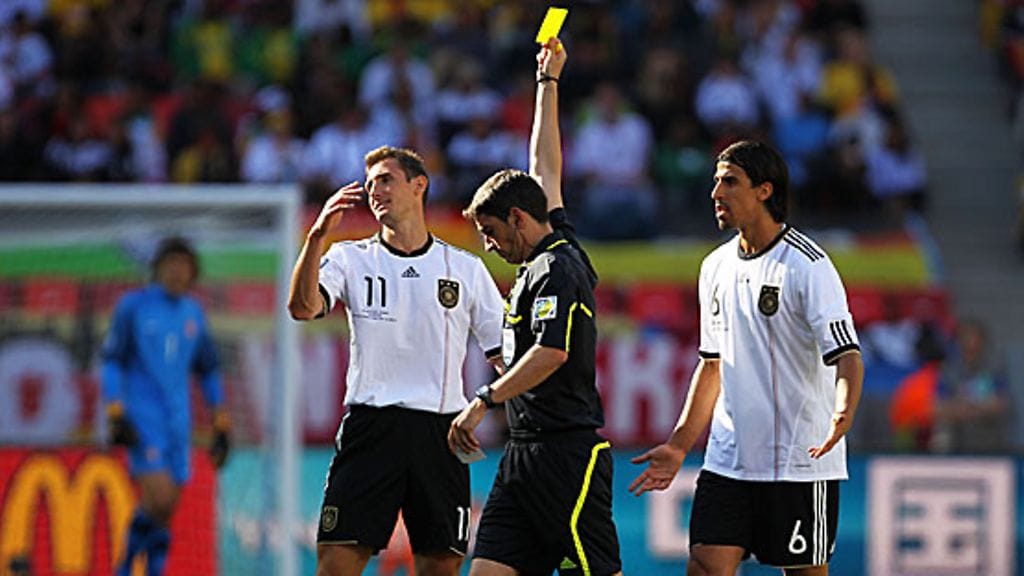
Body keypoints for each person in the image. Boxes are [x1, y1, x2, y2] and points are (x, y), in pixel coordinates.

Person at [629, 140, 864, 576]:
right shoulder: (714, 267)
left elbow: (847, 355)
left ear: (764, 190)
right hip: (729, 459)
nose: (716, 193)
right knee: (703, 565)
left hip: (799, 462)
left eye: (729, 182)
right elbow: (712, 364)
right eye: (716, 182)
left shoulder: (808, 265)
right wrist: (681, 443)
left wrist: (842, 413)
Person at [287, 145, 505, 576]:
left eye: (386, 180)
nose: (375, 191)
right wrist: (316, 238)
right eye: (369, 185)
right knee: (334, 565)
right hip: (371, 428)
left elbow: (504, 357)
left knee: (439, 569)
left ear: (418, 185)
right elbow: (302, 308)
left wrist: (497, 406)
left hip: (441, 433)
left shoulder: (465, 268)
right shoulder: (349, 258)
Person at [449, 39, 623, 576]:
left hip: (566, 456)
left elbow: (550, 353)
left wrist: (484, 400)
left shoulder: (557, 268)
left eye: (492, 232)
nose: (489, 245)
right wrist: (547, 84)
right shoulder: (543, 248)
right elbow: (543, 166)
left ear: (520, 220)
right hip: (522, 455)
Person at [102, 236, 230, 576]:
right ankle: (127, 567)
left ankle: (148, 568)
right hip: (142, 417)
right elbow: (112, 360)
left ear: (193, 273)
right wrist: (114, 410)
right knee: (158, 498)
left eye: (183, 266)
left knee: (167, 507)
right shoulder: (133, 307)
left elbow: (208, 370)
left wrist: (220, 419)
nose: (176, 272)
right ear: (157, 268)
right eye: (170, 265)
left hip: (178, 421)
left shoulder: (193, 314)